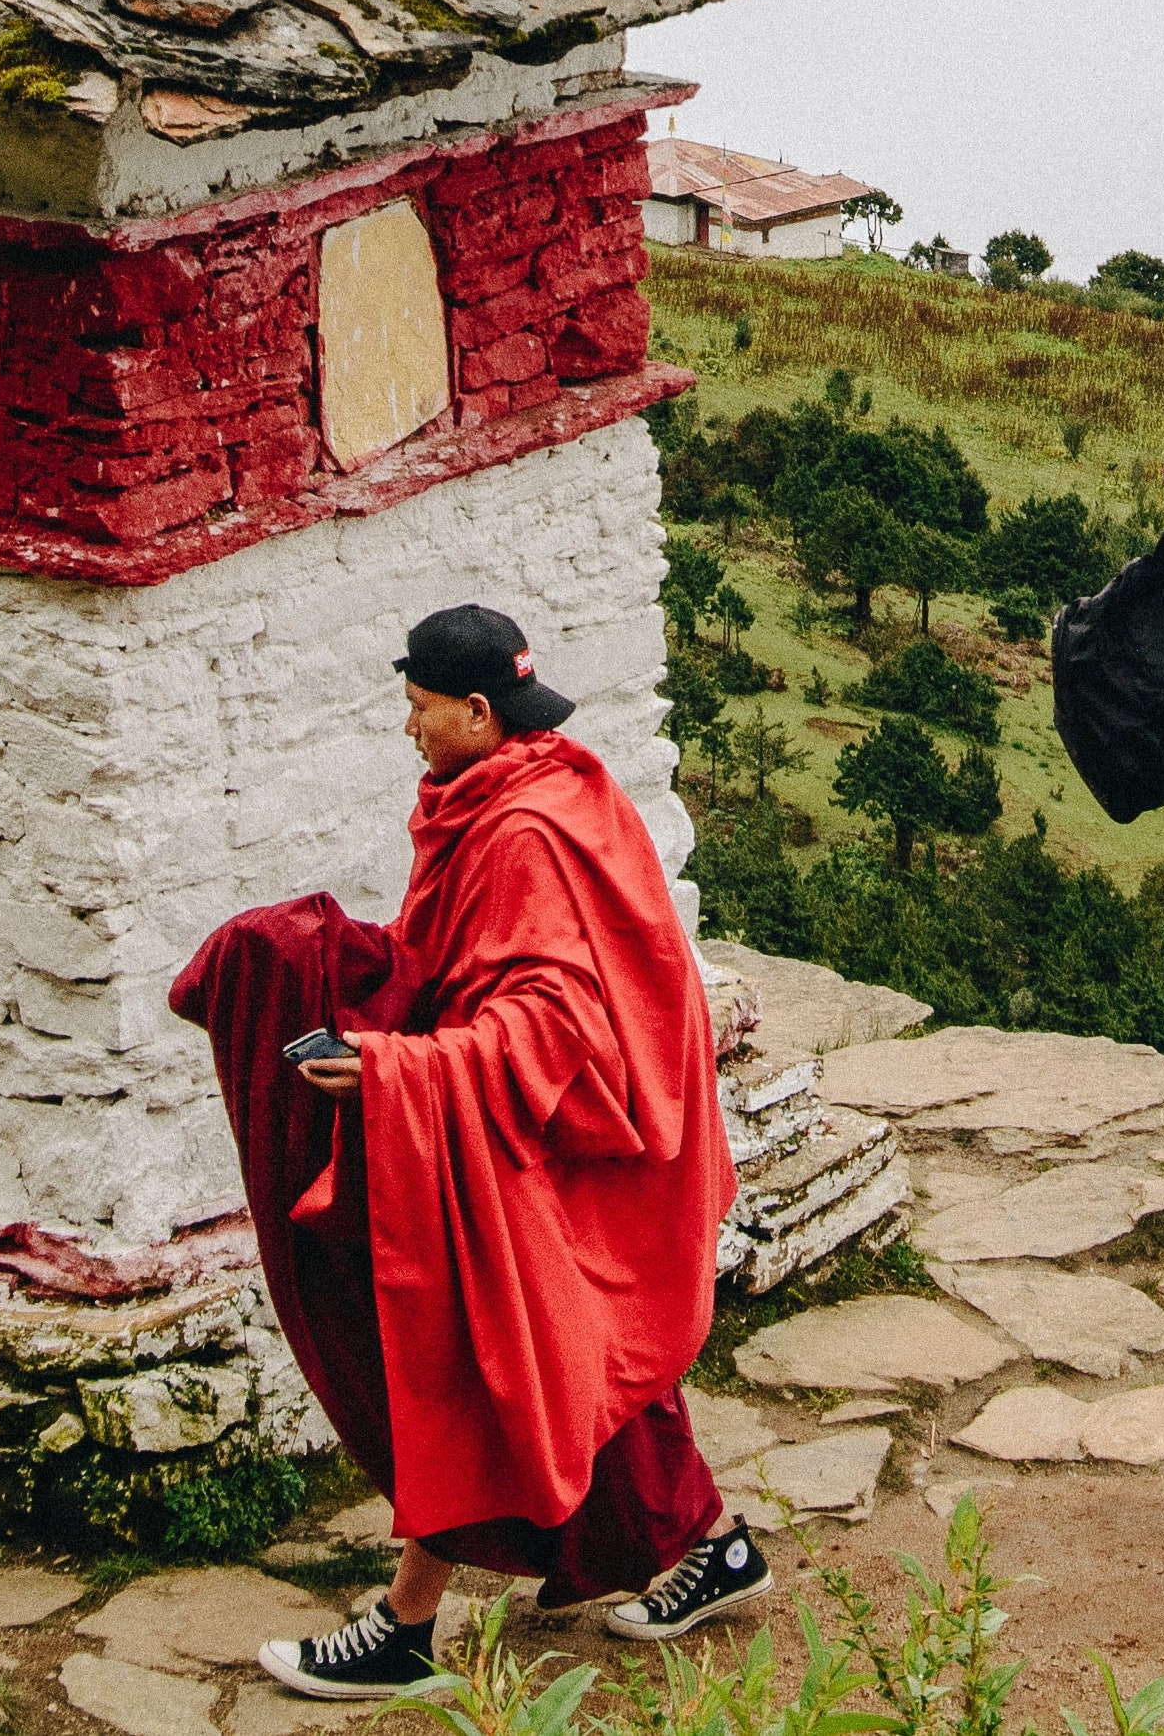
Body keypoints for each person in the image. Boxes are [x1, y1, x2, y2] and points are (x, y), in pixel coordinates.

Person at [170, 606, 768, 1702]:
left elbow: (551, 1022)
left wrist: (399, 1074)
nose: (407, 728)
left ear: (477, 711)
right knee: (582, 1358)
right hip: (552, 1126)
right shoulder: (536, 784)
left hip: (572, 1134)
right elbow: (467, 967)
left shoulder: (526, 832)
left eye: (418, 707)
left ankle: (406, 1626)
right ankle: (712, 1547)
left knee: (477, 1352)